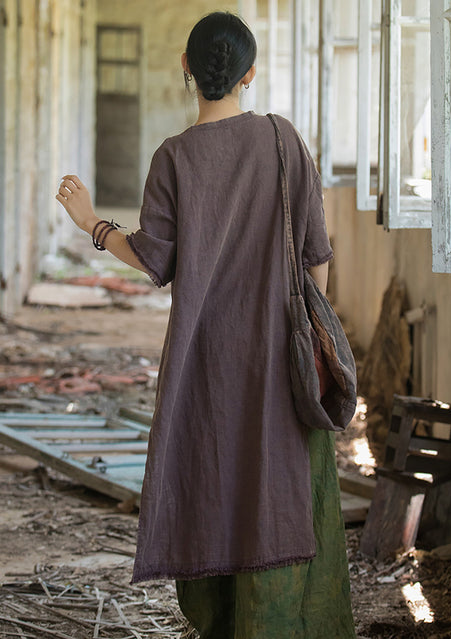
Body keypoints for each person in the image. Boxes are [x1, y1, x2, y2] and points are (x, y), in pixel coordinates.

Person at [56, 11, 356, 638]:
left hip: (205, 366)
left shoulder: (173, 158)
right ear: (251, 73)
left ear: (187, 69)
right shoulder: (283, 140)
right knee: (280, 496)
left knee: (215, 484)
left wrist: (92, 224)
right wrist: (308, 336)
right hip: (279, 360)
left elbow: (154, 261)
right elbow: (318, 260)